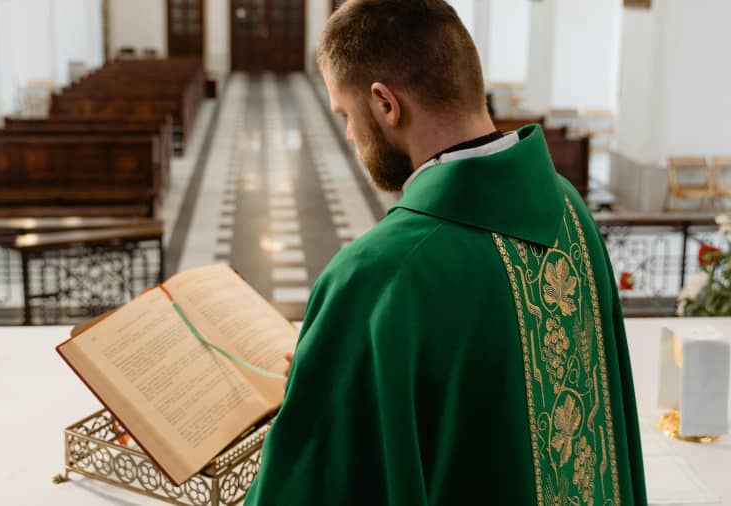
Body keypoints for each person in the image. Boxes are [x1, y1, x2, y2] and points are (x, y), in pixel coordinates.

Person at [245, 0, 646, 504]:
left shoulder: (379, 274)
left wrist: (313, 397)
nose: (349, 133)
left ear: (386, 104)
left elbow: (313, 481)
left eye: (347, 114)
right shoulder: (569, 211)